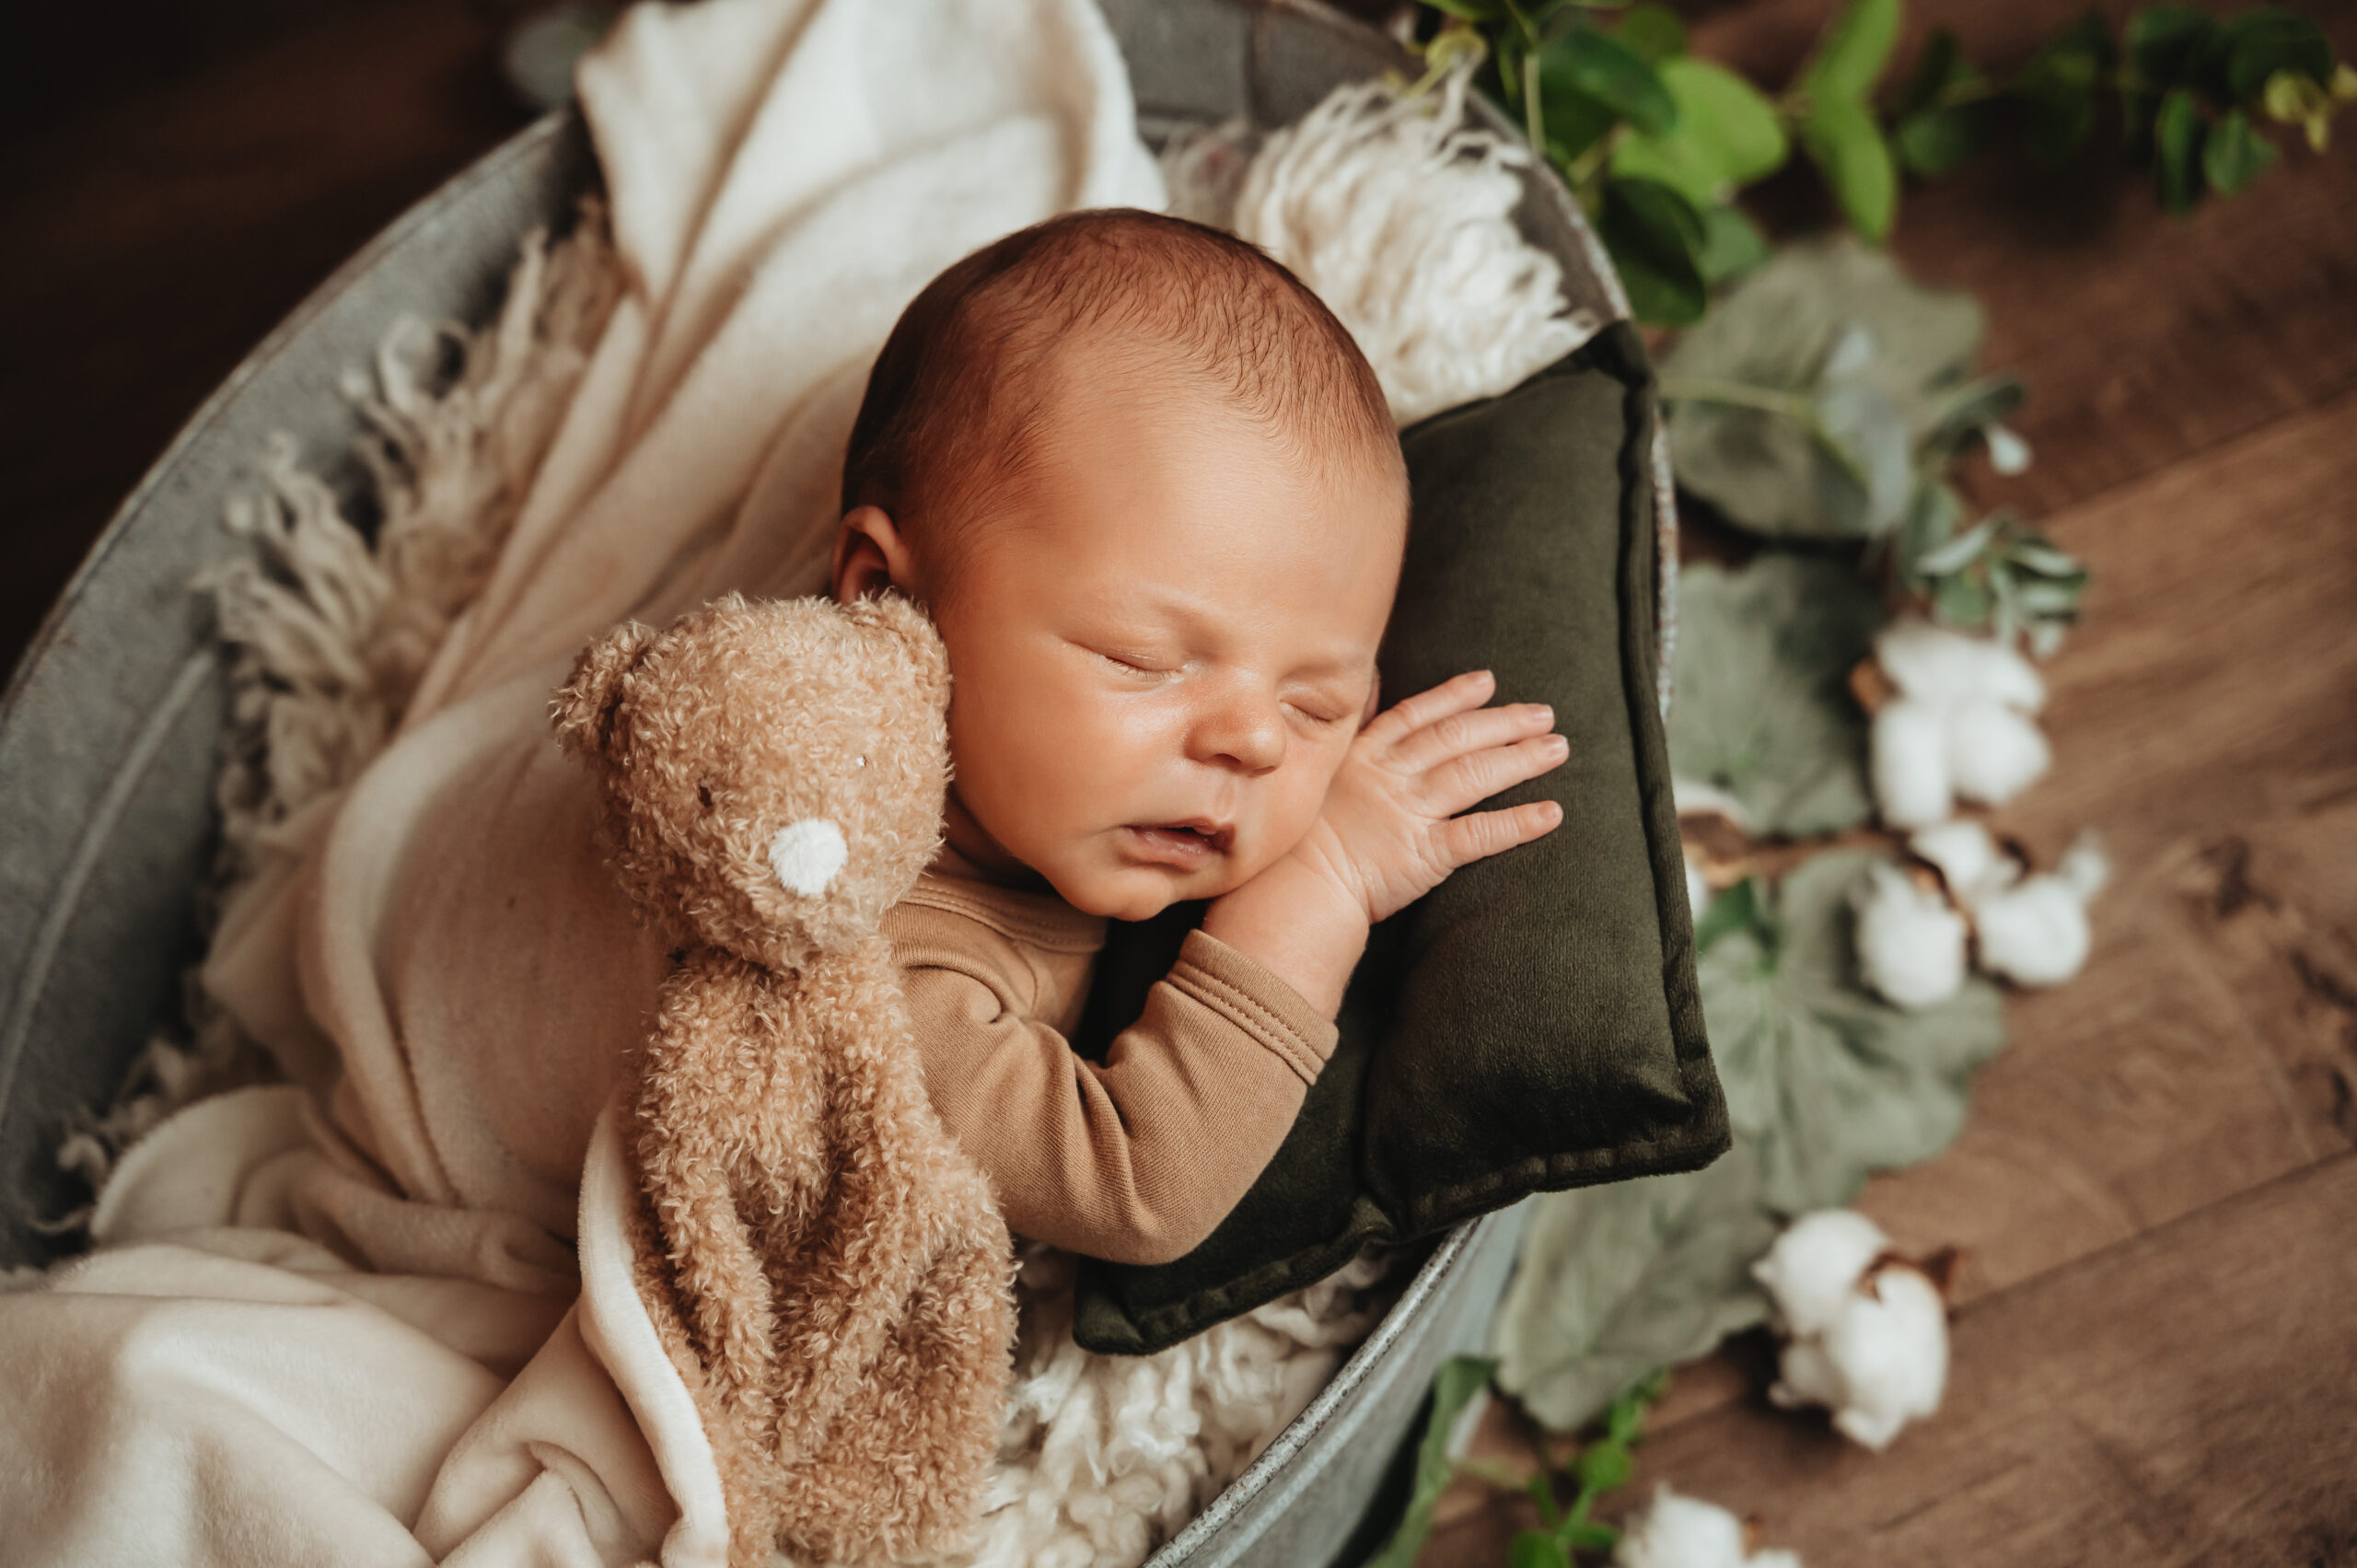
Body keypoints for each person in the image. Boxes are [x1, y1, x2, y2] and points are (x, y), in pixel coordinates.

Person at [831, 209, 1570, 1266]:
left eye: (1319, 706)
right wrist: (1326, 876)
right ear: (886, 601)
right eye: (1143, 656)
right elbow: (1136, 1188)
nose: (1254, 742)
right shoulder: (861, 963)